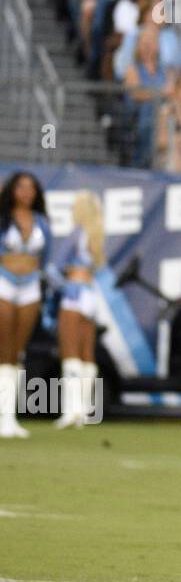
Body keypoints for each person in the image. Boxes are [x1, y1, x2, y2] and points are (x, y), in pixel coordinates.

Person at [0, 171, 50, 439]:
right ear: (12, 190)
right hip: (4, 282)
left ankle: (9, 416)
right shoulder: (3, 218)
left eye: (31, 187)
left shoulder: (42, 221)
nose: (26, 192)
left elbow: (46, 258)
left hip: (30, 285)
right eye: (21, 187)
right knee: (3, 349)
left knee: (18, 352)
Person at [53, 191, 105, 429]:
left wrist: (59, 285)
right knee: (87, 354)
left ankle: (71, 411)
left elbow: (55, 266)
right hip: (90, 295)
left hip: (74, 294)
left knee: (70, 352)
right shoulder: (96, 236)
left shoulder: (77, 233)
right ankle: (84, 410)